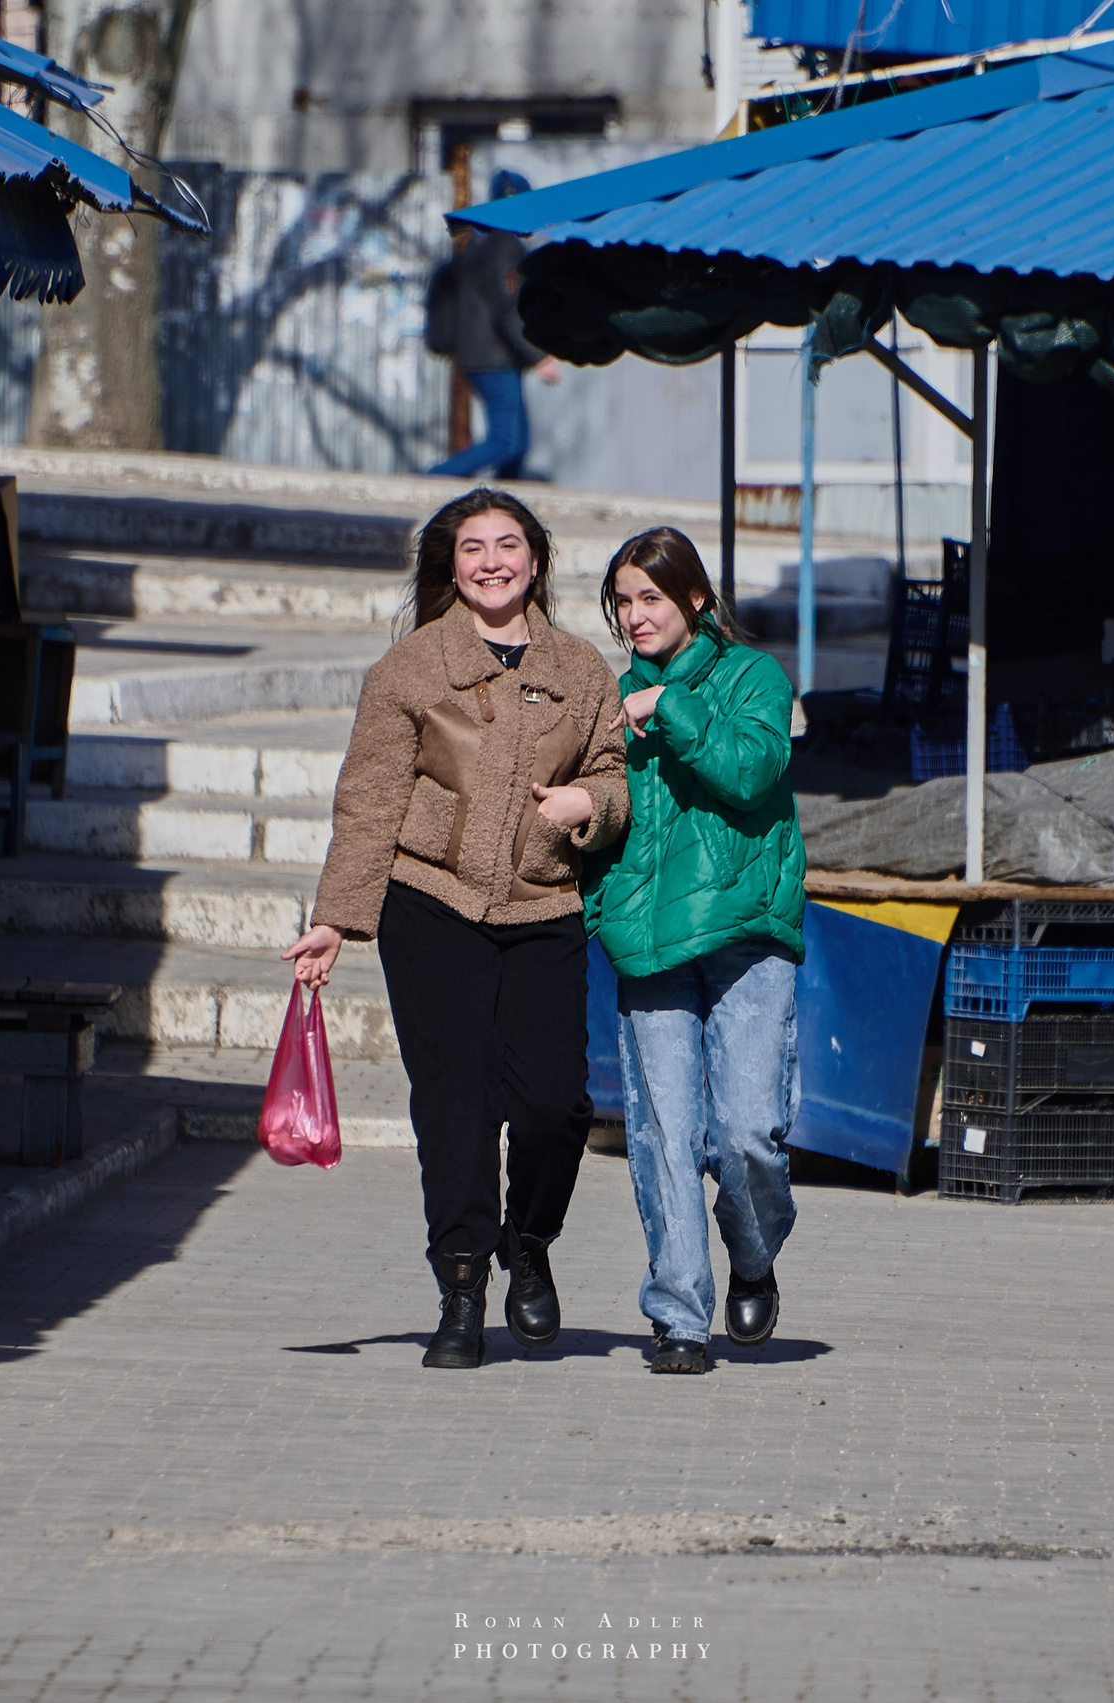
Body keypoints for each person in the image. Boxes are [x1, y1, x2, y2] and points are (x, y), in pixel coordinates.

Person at [284, 489, 629, 1370]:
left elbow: (613, 774)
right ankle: (464, 1284)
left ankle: (530, 1241)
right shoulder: (407, 671)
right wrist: (336, 919)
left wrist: (592, 805)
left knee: (555, 1104)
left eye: (507, 545)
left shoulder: (583, 669)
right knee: (456, 1104)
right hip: (430, 903)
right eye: (473, 548)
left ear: (536, 561)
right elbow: (370, 802)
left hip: (544, 906)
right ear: (451, 564)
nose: (491, 562)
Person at [586, 527, 807, 1376]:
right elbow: (605, 810)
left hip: (747, 931)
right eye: (623, 602)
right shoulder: (610, 698)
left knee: (747, 1132)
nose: (635, 616)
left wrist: (668, 708)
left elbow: (752, 771)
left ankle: (752, 1251)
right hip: (649, 944)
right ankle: (679, 1313)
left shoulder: (754, 676)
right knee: (664, 1135)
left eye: (651, 597)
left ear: (697, 599)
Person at [427, 170, 561, 481]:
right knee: (504, 443)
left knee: (518, 444)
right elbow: (507, 309)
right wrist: (539, 357)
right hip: (492, 358)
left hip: (488, 357)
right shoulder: (503, 246)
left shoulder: (480, 241)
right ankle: (432, 478)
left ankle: (508, 496)